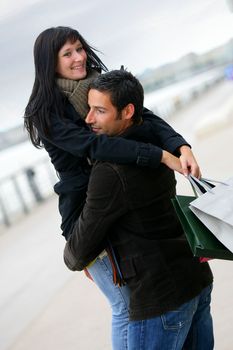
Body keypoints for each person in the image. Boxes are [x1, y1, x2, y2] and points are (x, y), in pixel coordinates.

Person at [24, 26, 201, 349]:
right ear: (49, 63)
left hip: (120, 206)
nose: (79, 58)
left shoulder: (102, 86)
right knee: (123, 305)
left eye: (79, 48)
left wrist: (182, 147)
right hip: (84, 212)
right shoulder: (45, 112)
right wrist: (158, 155)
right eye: (67, 54)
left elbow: (145, 116)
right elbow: (94, 147)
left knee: (140, 300)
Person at [64, 69, 214, 350]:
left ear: (127, 111)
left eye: (99, 111)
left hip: (161, 300)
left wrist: (71, 254)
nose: (88, 119)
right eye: (89, 109)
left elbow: (79, 249)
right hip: (195, 280)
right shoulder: (155, 139)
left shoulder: (111, 170)